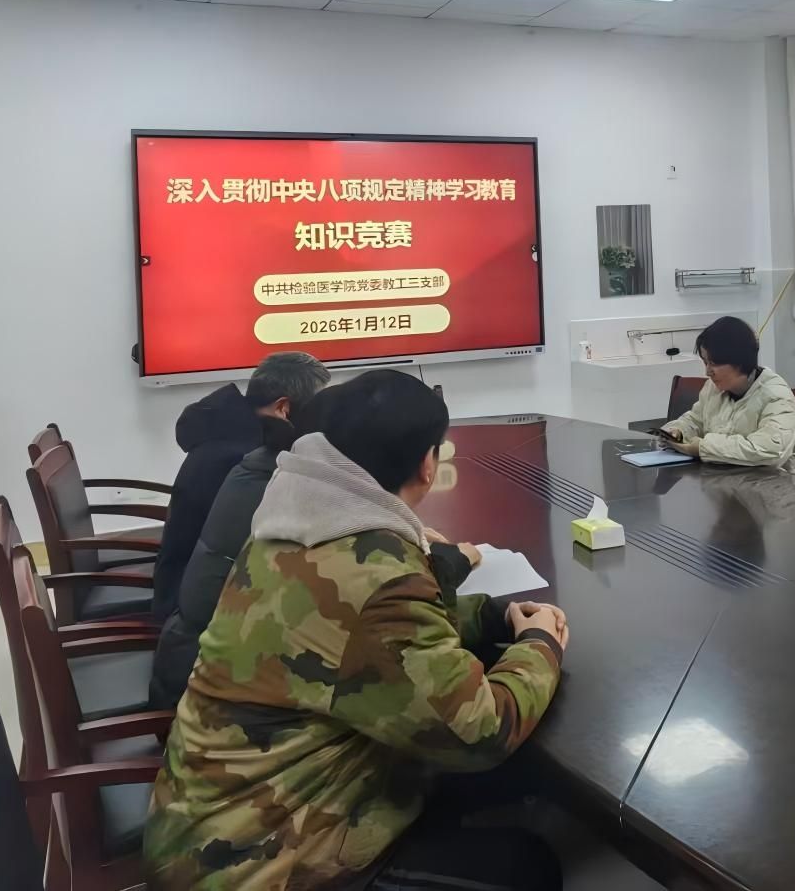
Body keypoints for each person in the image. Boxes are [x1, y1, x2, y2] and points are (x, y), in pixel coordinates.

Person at [145, 370, 568, 891]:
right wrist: (539, 646)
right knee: (527, 865)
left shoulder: (292, 524)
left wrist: (489, 615)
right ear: (428, 464)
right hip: (259, 863)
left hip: (204, 821)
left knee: (479, 788)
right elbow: (481, 731)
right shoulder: (377, 569)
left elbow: (356, 632)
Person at [146, 382, 482, 709]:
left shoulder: (279, 494)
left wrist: (484, 613)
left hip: (206, 678)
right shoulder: (315, 528)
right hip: (196, 685)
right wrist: (447, 565)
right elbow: (468, 720)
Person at [150, 352, 331, 622]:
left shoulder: (224, 432)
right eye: (318, 410)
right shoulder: (246, 459)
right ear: (283, 408)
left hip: (186, 584)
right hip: (196, 611)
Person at [661, 315, 795, 475]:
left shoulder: (775, 395)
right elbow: (695, 420)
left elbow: (770, 451)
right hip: (734, 480)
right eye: (705, 362)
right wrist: (678, 431)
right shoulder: (713, 388)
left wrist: (702, 448)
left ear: (738, 360)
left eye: (713, 363)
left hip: (785, 484)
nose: (707, 372)